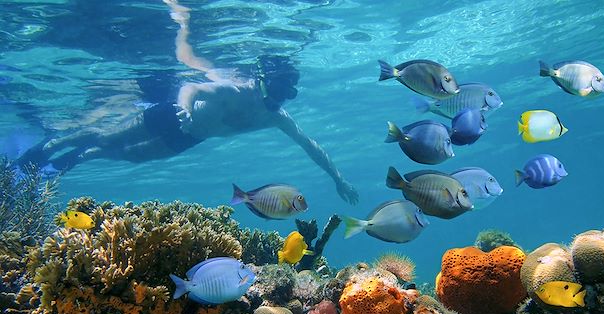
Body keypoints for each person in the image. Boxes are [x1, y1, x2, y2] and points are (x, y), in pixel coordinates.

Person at [18, 0, 359, 204]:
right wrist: (182, 108)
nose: (281, 100)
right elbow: (192, 89)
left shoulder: (276, 117)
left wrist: (338, 178)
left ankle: (79, 158)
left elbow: (310, 146)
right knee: (108, 136)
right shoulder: (236, 89)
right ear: (264, 82)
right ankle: (53, 144)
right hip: (173, 115)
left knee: (133, 156)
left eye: (286, 95)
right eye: (279, 91)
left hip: (191, 137)